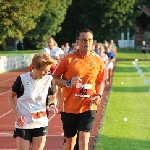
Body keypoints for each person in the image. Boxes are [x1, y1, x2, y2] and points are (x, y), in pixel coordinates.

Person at [53, 28, 105, 150]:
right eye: (84, 40)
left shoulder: (98, 60)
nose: (87, 42)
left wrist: (99, 95)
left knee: (83, 140)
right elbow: (54, 78)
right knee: (70, 144)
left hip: (89, 105)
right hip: (69, 106)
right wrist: (68, 82)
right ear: (78, 41)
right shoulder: (68, 58)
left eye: (90, 40)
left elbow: (100, 81)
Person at [7, 53, 58, 150]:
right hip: (24, 123)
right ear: (35, 67)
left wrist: (52, 105)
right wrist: (17, 114)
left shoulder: (49, 80)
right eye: (44, 71)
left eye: (48, 71)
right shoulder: (22, 79)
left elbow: (53, 96)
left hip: (41, 122)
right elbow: (10, 95)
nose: (46, 73)